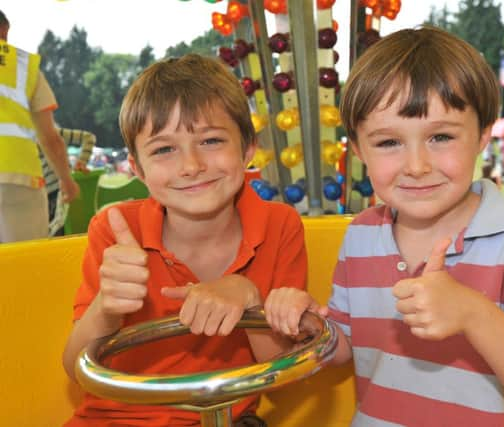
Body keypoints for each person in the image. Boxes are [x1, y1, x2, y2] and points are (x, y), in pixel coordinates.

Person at [265, 27, 504, 426]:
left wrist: (474, 314)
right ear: (360, 149)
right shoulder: (362, 235)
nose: (417, 166)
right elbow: (345, 345)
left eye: (441, 137)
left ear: (483, 132)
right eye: (388, 143)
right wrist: (307, 325)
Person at [62, 54, 307, 427]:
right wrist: (107, 308)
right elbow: (75, 367)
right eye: (164, 149)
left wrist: (250, 299)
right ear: (137, 168)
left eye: (210, 140)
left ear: (247, 149)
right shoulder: (114, 231)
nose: (191, 165)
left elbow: (278, 374)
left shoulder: (279, 224)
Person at [0, 10, 79, 243]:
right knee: (27, 265)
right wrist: (66, 179)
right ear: (4, 31)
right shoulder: (23, 65)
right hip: (20, 180)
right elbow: (49, 137)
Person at [43, 127, 96, 236]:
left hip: (58, 194)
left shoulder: (48, 131)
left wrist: (81, 161)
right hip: (41, 194)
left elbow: (88, 137)